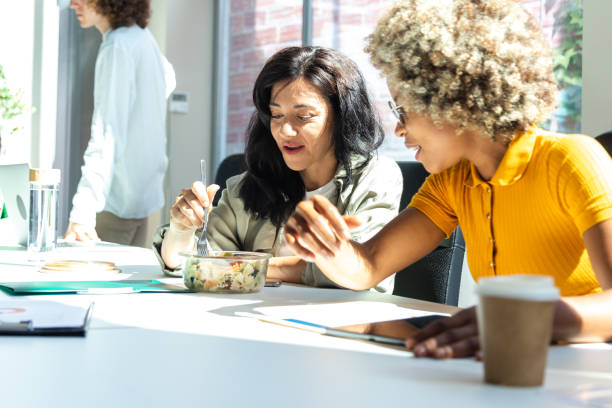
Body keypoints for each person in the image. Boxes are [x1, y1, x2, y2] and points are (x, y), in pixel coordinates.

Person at [284, 0, 612, 357]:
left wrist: (520, 318)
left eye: (403, 109)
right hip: (503, 362)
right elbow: (368, 267)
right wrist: (329, 246)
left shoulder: (570, 160)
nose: (399, 128)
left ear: (453, 99)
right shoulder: (453, 182)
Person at [156, 46, 402, 292]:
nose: (285, 131)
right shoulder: (247, 186)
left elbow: (357, 267)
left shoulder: (377, 176)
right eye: (276, 115)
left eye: (303, 117)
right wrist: (182, 230)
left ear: (341, 117)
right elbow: (192, 262)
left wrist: (242, 266)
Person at [64, 0, 175, 247]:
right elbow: (168, 80)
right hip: (142, 199)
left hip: (116, 205)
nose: (72, 4)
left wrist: (82, 211)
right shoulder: (143, 38)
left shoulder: (118, 46)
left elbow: (106, 133)